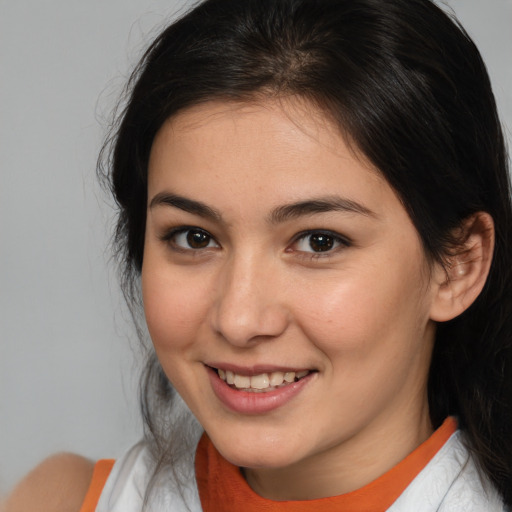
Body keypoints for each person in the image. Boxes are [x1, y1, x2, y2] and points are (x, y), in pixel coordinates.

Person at [6, 0, 511, 510]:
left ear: (457, 266)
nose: (239, 319)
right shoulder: (61, 499)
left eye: (319, 241)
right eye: (194, 237)